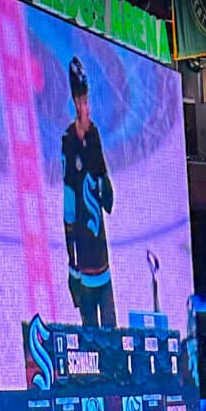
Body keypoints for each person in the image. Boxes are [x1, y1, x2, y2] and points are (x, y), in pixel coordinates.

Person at [60, 58, 116, 328]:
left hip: (102, 263)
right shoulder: (69, 144)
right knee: (91, 338)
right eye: (80, 102)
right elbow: (69, 209)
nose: (85, 108)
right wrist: (72, 267)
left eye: (87, 101)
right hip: (84, 267)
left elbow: (108, 201)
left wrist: (103, 179)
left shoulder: (93, 138)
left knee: (111, 337)